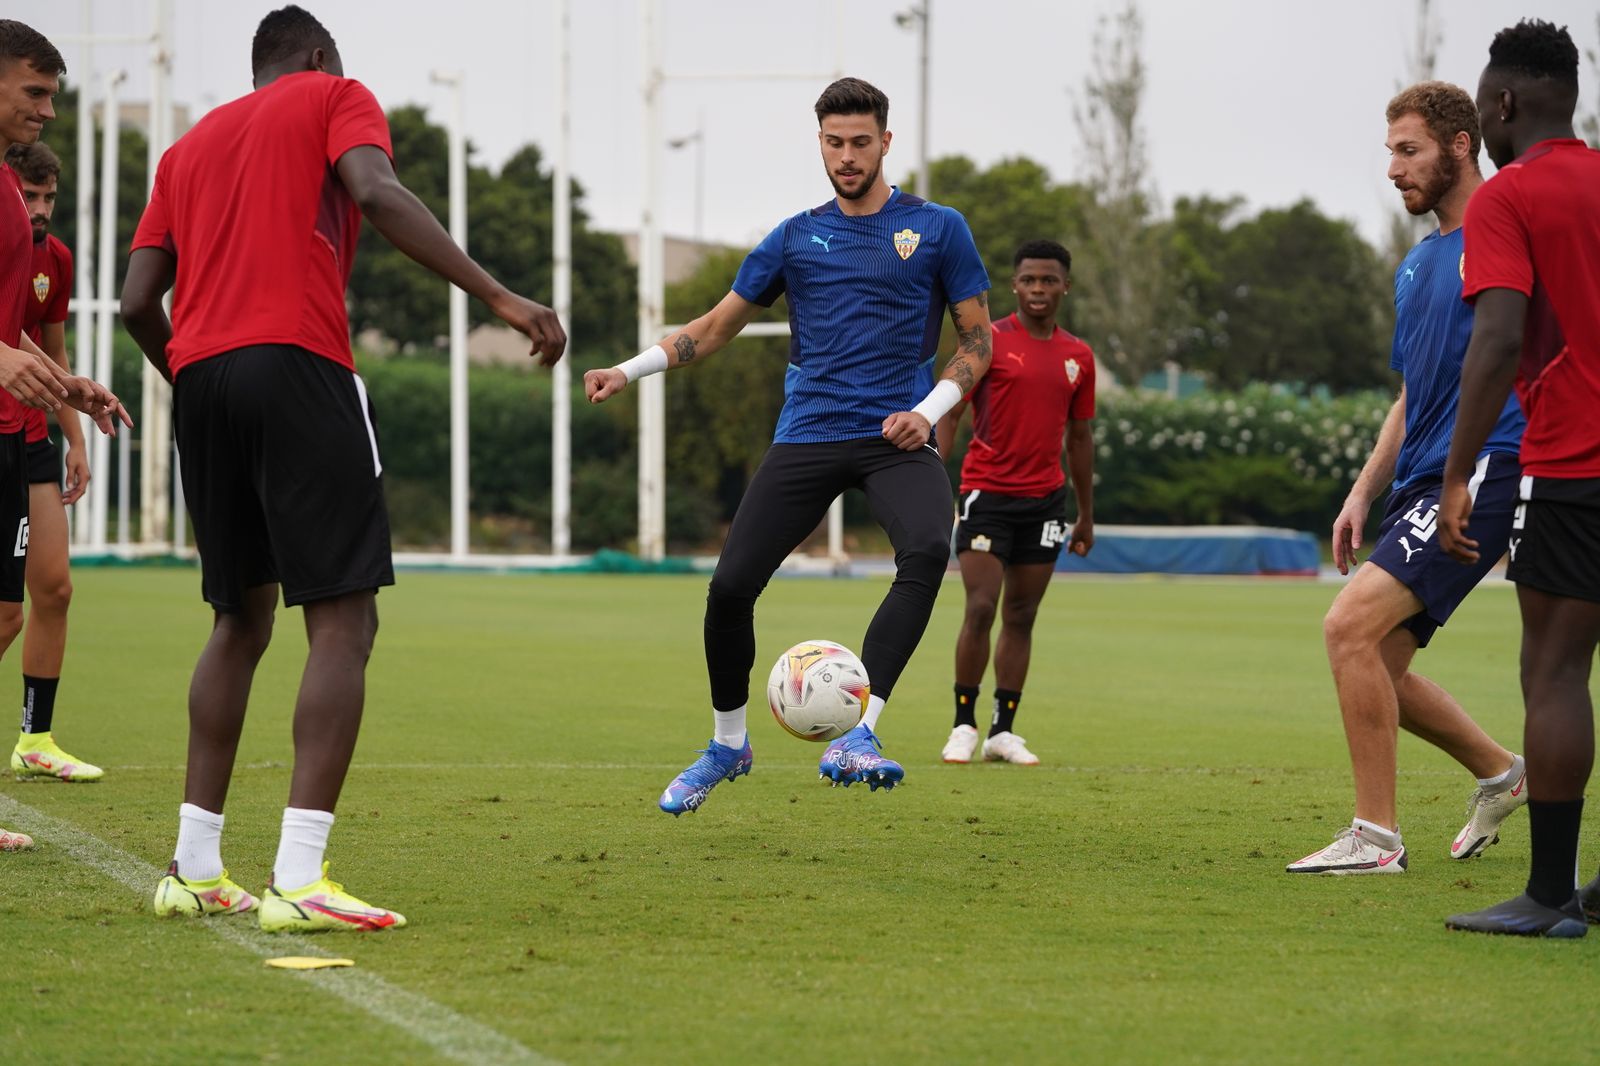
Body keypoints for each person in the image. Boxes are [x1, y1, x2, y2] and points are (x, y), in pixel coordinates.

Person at [121, 5, 564, 928]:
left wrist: (202, 377)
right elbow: (374, 189)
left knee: (237, 620)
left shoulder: (188, 147)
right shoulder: (337, 94)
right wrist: (498, 295)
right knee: (342, 622)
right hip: (300, 363)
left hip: (200, 376)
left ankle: (194, 868)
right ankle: (299, 877)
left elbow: (134, 303)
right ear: (318, 58)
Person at [585, 77, 991, 814]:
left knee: (930, 549)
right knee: (730, 587)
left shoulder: (938, 228)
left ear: (886, 143)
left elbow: (978, 342)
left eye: (860, 142)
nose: (846, 156)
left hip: (895, 435)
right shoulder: (795, 237)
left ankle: (858, 736)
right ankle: (727, 744)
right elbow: (708, 331)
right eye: (834, 143)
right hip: (808, 431)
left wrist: (928, 410)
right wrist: (626, 368)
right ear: (821, 144)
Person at [1287, 81, 1528, 876]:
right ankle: (1500, 771)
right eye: (1390, 150)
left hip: (1489, 467)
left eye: (1408, 149)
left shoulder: (1512, 232)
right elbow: (1410, 397)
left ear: (1460, 145)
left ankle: (1376, 839)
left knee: (1345, 629)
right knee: (1378, 664)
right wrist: (1361, 491)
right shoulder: (1419, 264)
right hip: (1417, 485)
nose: (1392, 168)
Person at [1438, 20, 1600, 938]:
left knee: (1554, 670)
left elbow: (1497, 337)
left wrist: (1459, 475)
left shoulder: (1510, 197)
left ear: (1502, 103)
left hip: (1575, 460)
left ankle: (1548, 896)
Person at [0, 20, 130, 853]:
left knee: (14, 610)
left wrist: (65, 387)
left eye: (53, 95)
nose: (47, 110)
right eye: (33, 93)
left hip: (13, 429)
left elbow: (22, 332)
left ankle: (35, 737)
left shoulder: (10, 196)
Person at [937, 239, 1094, 767]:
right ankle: (963, 722)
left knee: (1022, 615)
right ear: (1014, 285)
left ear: (1065, 286)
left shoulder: (1078, 356)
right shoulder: (988, 343)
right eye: (1029, 280)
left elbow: (1080, 439)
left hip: (1046, 503)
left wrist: (1085, 514)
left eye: (1049, 280)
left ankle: (1003, 732)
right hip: (985, 494)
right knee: (981, 607)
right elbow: (951, 411)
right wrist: (935, 482)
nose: (1038, 290)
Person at [5, 141, 100, 785]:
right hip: (4, 425)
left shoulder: (53, 259)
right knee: (6, 611)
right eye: (29, 196)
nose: (40, 210)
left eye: (49, 199)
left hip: (31, 431)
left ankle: (36, 737)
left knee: (55, 589)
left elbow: (51, 350)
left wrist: (76, 438)